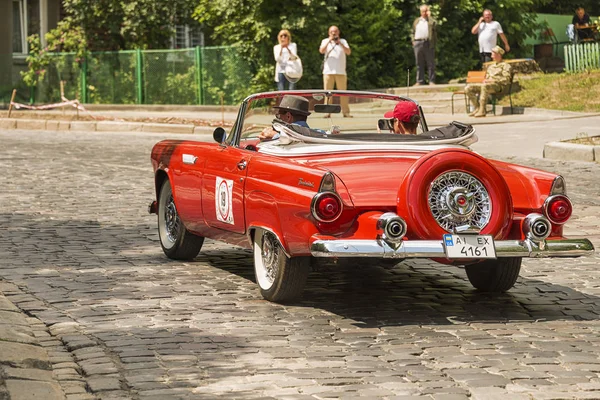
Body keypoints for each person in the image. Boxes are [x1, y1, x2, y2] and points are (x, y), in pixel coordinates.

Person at [464, 45, 512, 118]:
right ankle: (477, 108)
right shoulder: (491, 66)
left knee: (484, 86)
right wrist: (486, 80)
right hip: (487, 85)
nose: (492, 56)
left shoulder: (505, 65)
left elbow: (506, 79)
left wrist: (493, 80)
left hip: (498, 86)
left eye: (493, 54)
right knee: (468, 88)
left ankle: (482, 110)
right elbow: (487, 77)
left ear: (498, 54)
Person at [319, 26, 352, 117]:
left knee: (343, 93)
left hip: (341, 71)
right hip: (328, 72)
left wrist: (340, 43)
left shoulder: (343, 41)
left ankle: (346, 112)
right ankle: (327, 112)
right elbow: (321, 51)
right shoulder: (325, 41)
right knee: (328, 93)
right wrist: (329, 41)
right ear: (329, 33)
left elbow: (348, 52)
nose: (334, 33)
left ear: (338, 32)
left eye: (335, 31)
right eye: (332, 32)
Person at [412, 4, 437, 86]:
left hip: (428, 43)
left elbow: (434, 26)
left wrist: (430, 17)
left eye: (426, 11)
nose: (425, 13)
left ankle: (431, 81)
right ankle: (419, 81)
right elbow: (412, 32)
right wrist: (413, 41)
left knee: (430, 63)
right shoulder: (417, 21)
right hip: (417, 43)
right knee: (419, 63)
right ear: (420, 12)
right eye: (423, 11)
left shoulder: (430, 21)